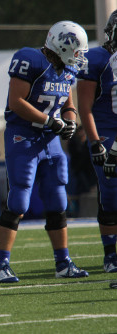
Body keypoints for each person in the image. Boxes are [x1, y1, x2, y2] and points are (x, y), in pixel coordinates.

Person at [0, 21, 89, 283]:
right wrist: (50, 121)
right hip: (23, 135)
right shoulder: (29, 59)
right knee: (19, 200)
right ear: (62, 45)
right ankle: (1, 265)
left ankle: (63, 262)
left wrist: (69, 120)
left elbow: (68, 103)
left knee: (58, 200)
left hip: (50, 139)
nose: (79, 56)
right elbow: (16, 102)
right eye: (76, 50)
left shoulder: (67, 69)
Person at [76, 10, 117, 273]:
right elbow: (85, 106)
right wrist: (94, 141)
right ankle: (110, 254)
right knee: (111, 195)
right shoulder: (96, 58)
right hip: (106, 132)